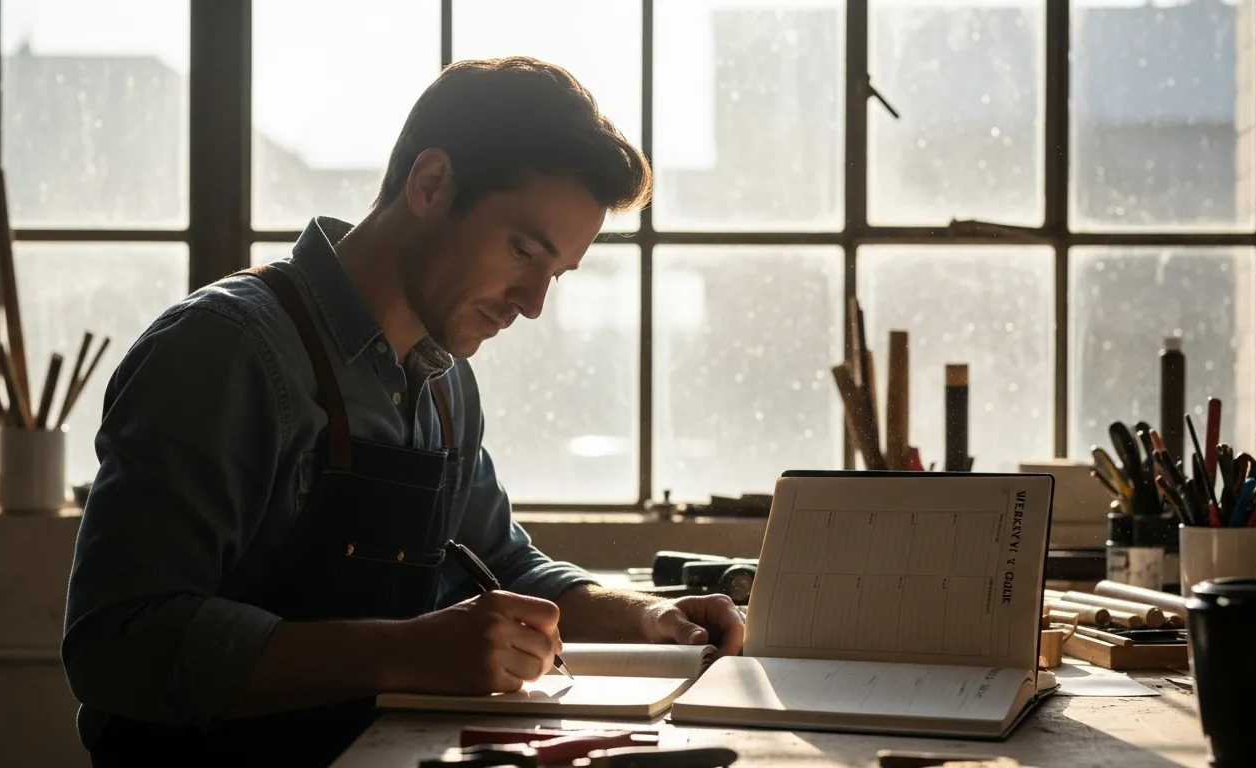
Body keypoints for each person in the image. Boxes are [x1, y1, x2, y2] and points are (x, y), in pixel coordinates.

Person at [61, 56, 746, 767]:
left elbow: (500, 561)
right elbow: (117, 644)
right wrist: (406, 651)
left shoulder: (446, 380)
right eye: (523, 250)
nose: (534, 303)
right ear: (430, 183)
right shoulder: (225, 352)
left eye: (556, 274)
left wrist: (645, 617)